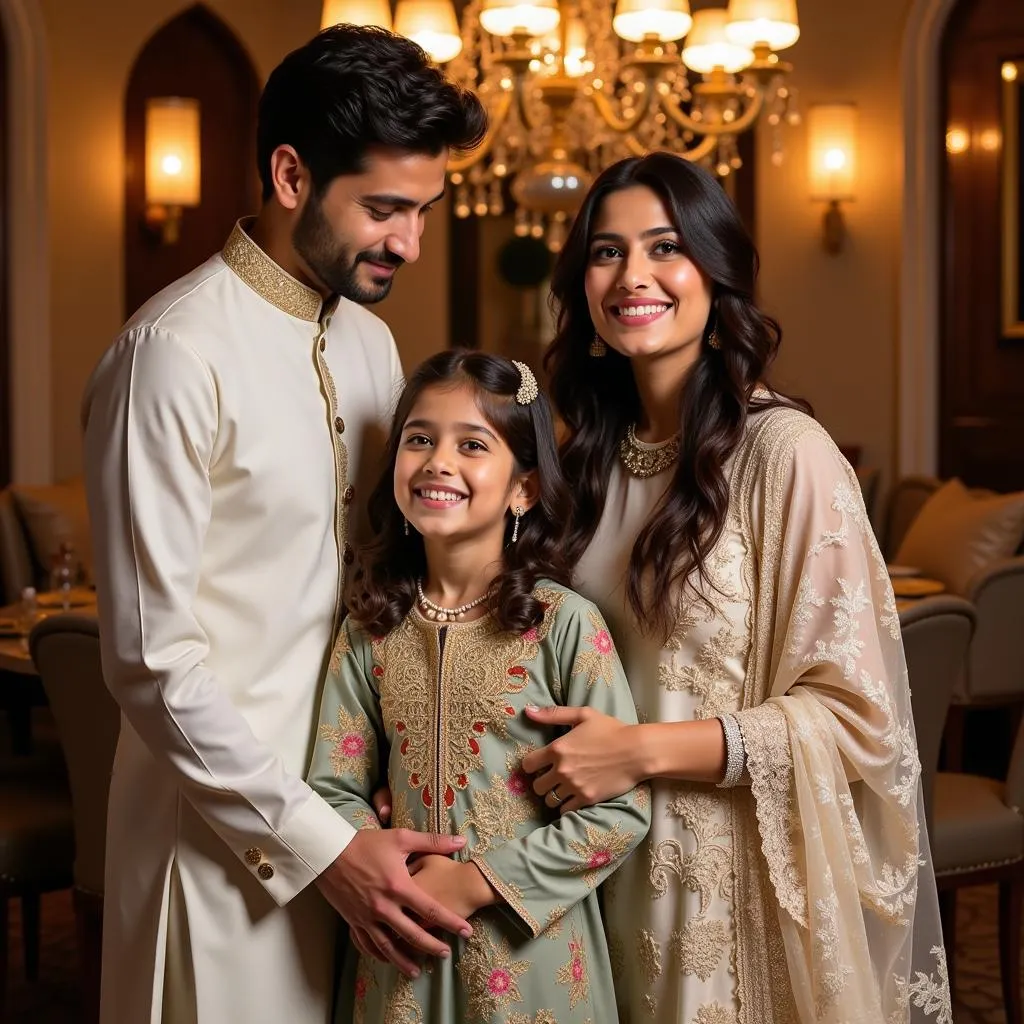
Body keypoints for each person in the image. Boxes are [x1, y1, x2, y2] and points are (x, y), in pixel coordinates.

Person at [81, 26, 485, 1024]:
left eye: (423, 211)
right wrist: (317, 845)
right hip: (220, 856)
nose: (408, 243)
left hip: (362, 830)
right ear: (291, 173)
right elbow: (150, 661)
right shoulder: (170, 355)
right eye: (384, 209)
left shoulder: (375, 343)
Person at [520, 153, 951, 1023]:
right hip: (586, 875)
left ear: (716, 277)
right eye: (606, 252)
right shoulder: (579, 464)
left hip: (724, 897)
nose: (632, 274)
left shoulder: (785, 455)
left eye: (664, 247)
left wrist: (638, 751)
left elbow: (856, 717)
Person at [308, 350, 650, 1023]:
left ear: (523, 489)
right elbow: (332, 785)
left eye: (472, 445)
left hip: (532, 959)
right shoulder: (370, 627)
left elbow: (618, 815)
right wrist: (372, 868)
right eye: (419, 439)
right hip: (401, 943)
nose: (439, 461)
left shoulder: (564, 626)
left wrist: (473, 882)